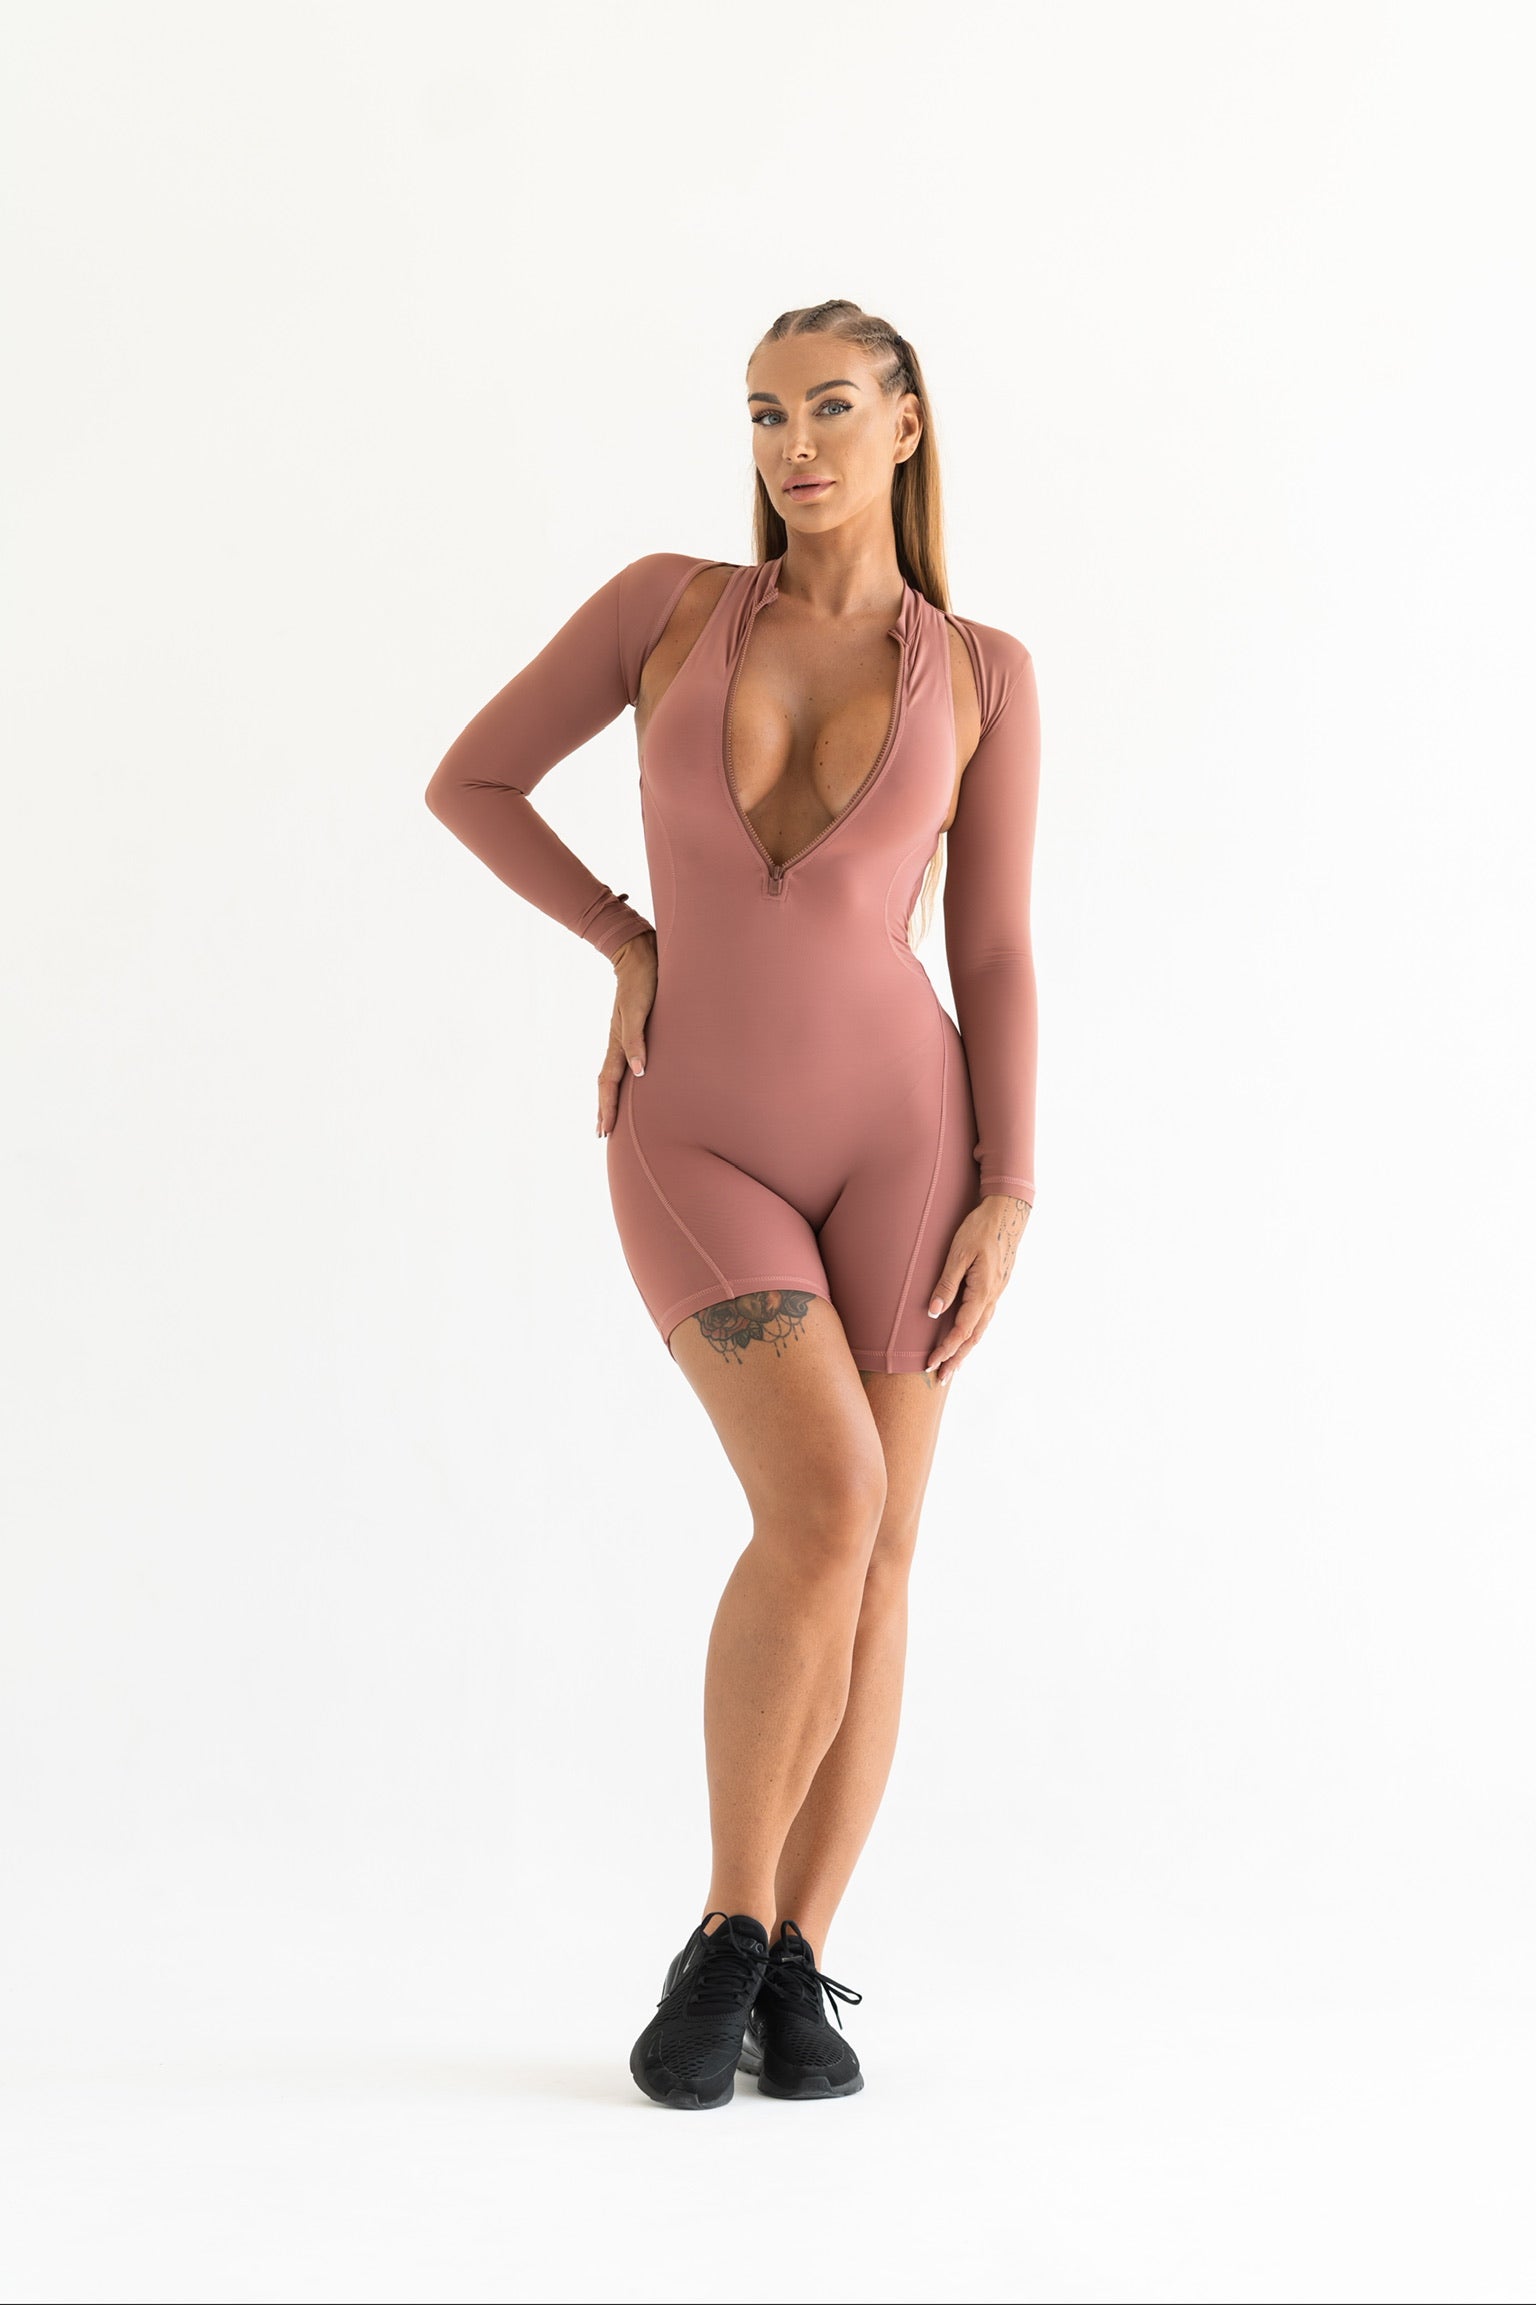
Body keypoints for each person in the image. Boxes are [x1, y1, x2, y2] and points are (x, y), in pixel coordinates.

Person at [424, 298, 1040, 2109]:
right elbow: (471, 780)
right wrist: (625, 940)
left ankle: (795, 1965)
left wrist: (1013, 1182)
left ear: (907, 425)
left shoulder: (985, 669)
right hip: (691, 1132)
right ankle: (725, 1922)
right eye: (767, 413)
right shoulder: (667, 610)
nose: (796, 446)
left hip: (910, 1144)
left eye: (833, 407)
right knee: (824, 1502)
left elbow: (997, 949)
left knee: (884, 1548)